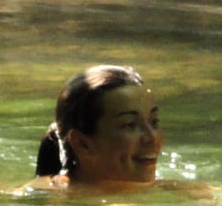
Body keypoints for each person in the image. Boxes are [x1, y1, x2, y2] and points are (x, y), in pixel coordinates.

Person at [32, 65, 162, 189]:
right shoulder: (41, 196)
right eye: (129, 125)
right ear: (83, 144)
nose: (152, 137)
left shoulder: (173, 192)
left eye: (154, 122)